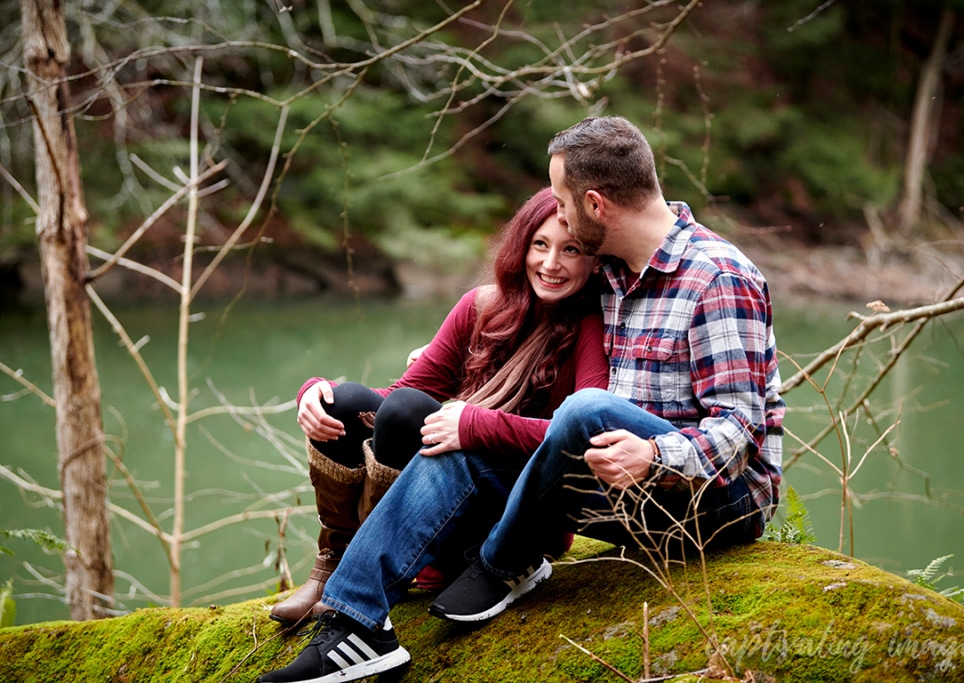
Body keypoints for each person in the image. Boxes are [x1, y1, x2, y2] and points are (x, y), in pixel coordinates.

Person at [257, 116, 784, 683]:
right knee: (450, 438)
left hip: (709, 502)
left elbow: (739, 430)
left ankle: (502, 562)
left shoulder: (716, 275)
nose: (555, 215)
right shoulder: (608, 271)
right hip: (613, 484)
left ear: (595, 204)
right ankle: (356, 626)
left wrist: (655, 456)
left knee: (582, 410)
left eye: (561, 199)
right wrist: (449, 363)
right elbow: (523, 309)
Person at [268, 186, 609, 628]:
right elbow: (399, 396)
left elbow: (580, 435)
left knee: (411, 410)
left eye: (572, 250)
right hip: (452, 482)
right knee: (350, 402)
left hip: (514, 511)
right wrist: (315, 392)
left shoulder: (592, 327)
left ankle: (408, 567)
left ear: (595, 259)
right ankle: (335, 561)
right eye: (539, 245)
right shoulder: (483, 306)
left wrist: (476, 425)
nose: (550, 263)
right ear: (520, 246)